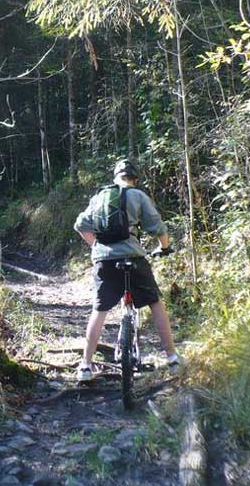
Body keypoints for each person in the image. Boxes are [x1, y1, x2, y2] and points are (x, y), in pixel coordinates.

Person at [72, 159, 180, 382]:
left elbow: (80, 225)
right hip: (133, 257)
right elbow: (158, 227)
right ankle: (172, 359)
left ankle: (85, 366)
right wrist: (164, 247)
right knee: (155, 302)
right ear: (135, 179)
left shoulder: (99, 196)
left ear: (115, 177)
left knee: (99, 309)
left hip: (104, 261)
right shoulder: (138, 196)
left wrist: (96, 246)